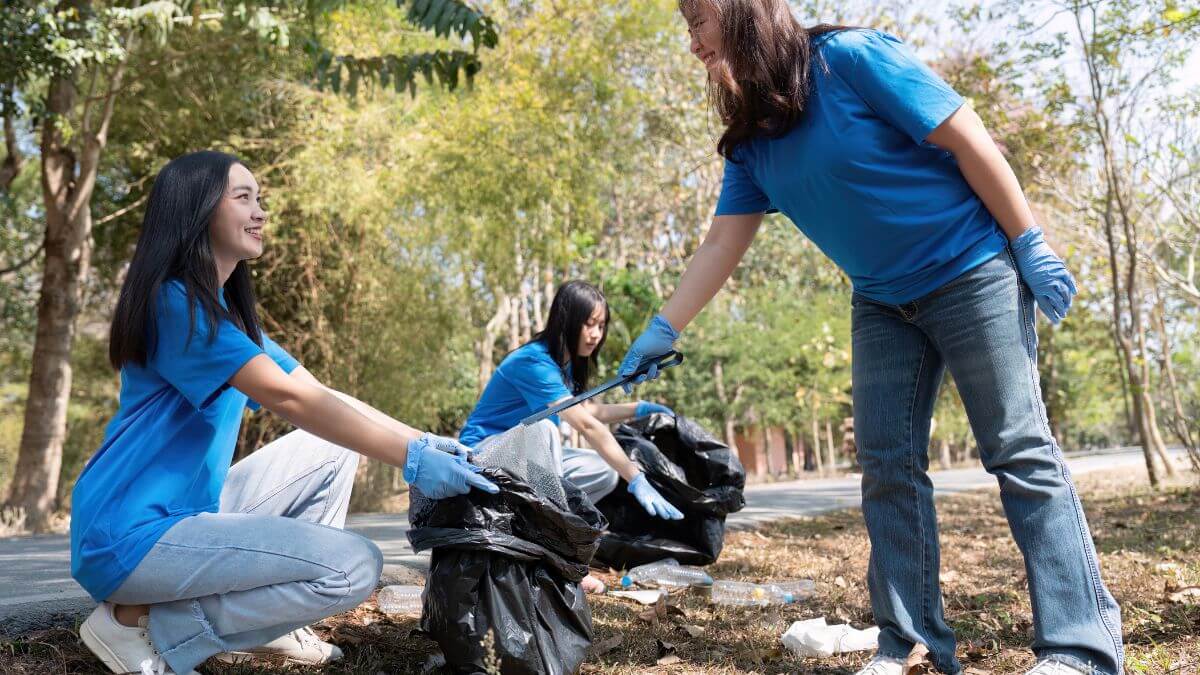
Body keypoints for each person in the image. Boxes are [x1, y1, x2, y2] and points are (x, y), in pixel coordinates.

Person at [618, 2, 1124, 674]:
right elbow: (721, 242)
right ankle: (910, 645)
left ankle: (1079, 648)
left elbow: (965, 133)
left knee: (1019, 451)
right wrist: (663, 327)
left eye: (697, 23)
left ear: (740, 11)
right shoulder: (751, 137)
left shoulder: (849, 60)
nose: (692, 44)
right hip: (883, 300)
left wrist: (1028, 239)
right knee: (887, 469)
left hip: (971, 267)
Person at [71, 151, 497, 675]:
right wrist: (409, 457)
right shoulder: (174, 304)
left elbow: (322, 397)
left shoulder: (226, 319)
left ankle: (270, 621)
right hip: (129, 534)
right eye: (243, 197)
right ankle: (143, 624)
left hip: (181, 519)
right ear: (196, 210)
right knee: (352, 567)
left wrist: (426, 440)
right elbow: (290, 400)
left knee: (333, 441)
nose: (260, 212)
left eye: (260, 199)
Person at [460, 280, 681, 594]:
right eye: (589, 324)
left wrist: (639, 408)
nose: (596, 334)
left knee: (603, 472)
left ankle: (535, 540)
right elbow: (586, 426)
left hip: (517, 462)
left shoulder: (562, 365)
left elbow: (589, 411)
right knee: (546, 431)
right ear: (566, 320)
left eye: (601, 325)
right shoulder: (534, 362)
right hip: (481, 457)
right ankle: (559, 556)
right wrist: (635, 477)